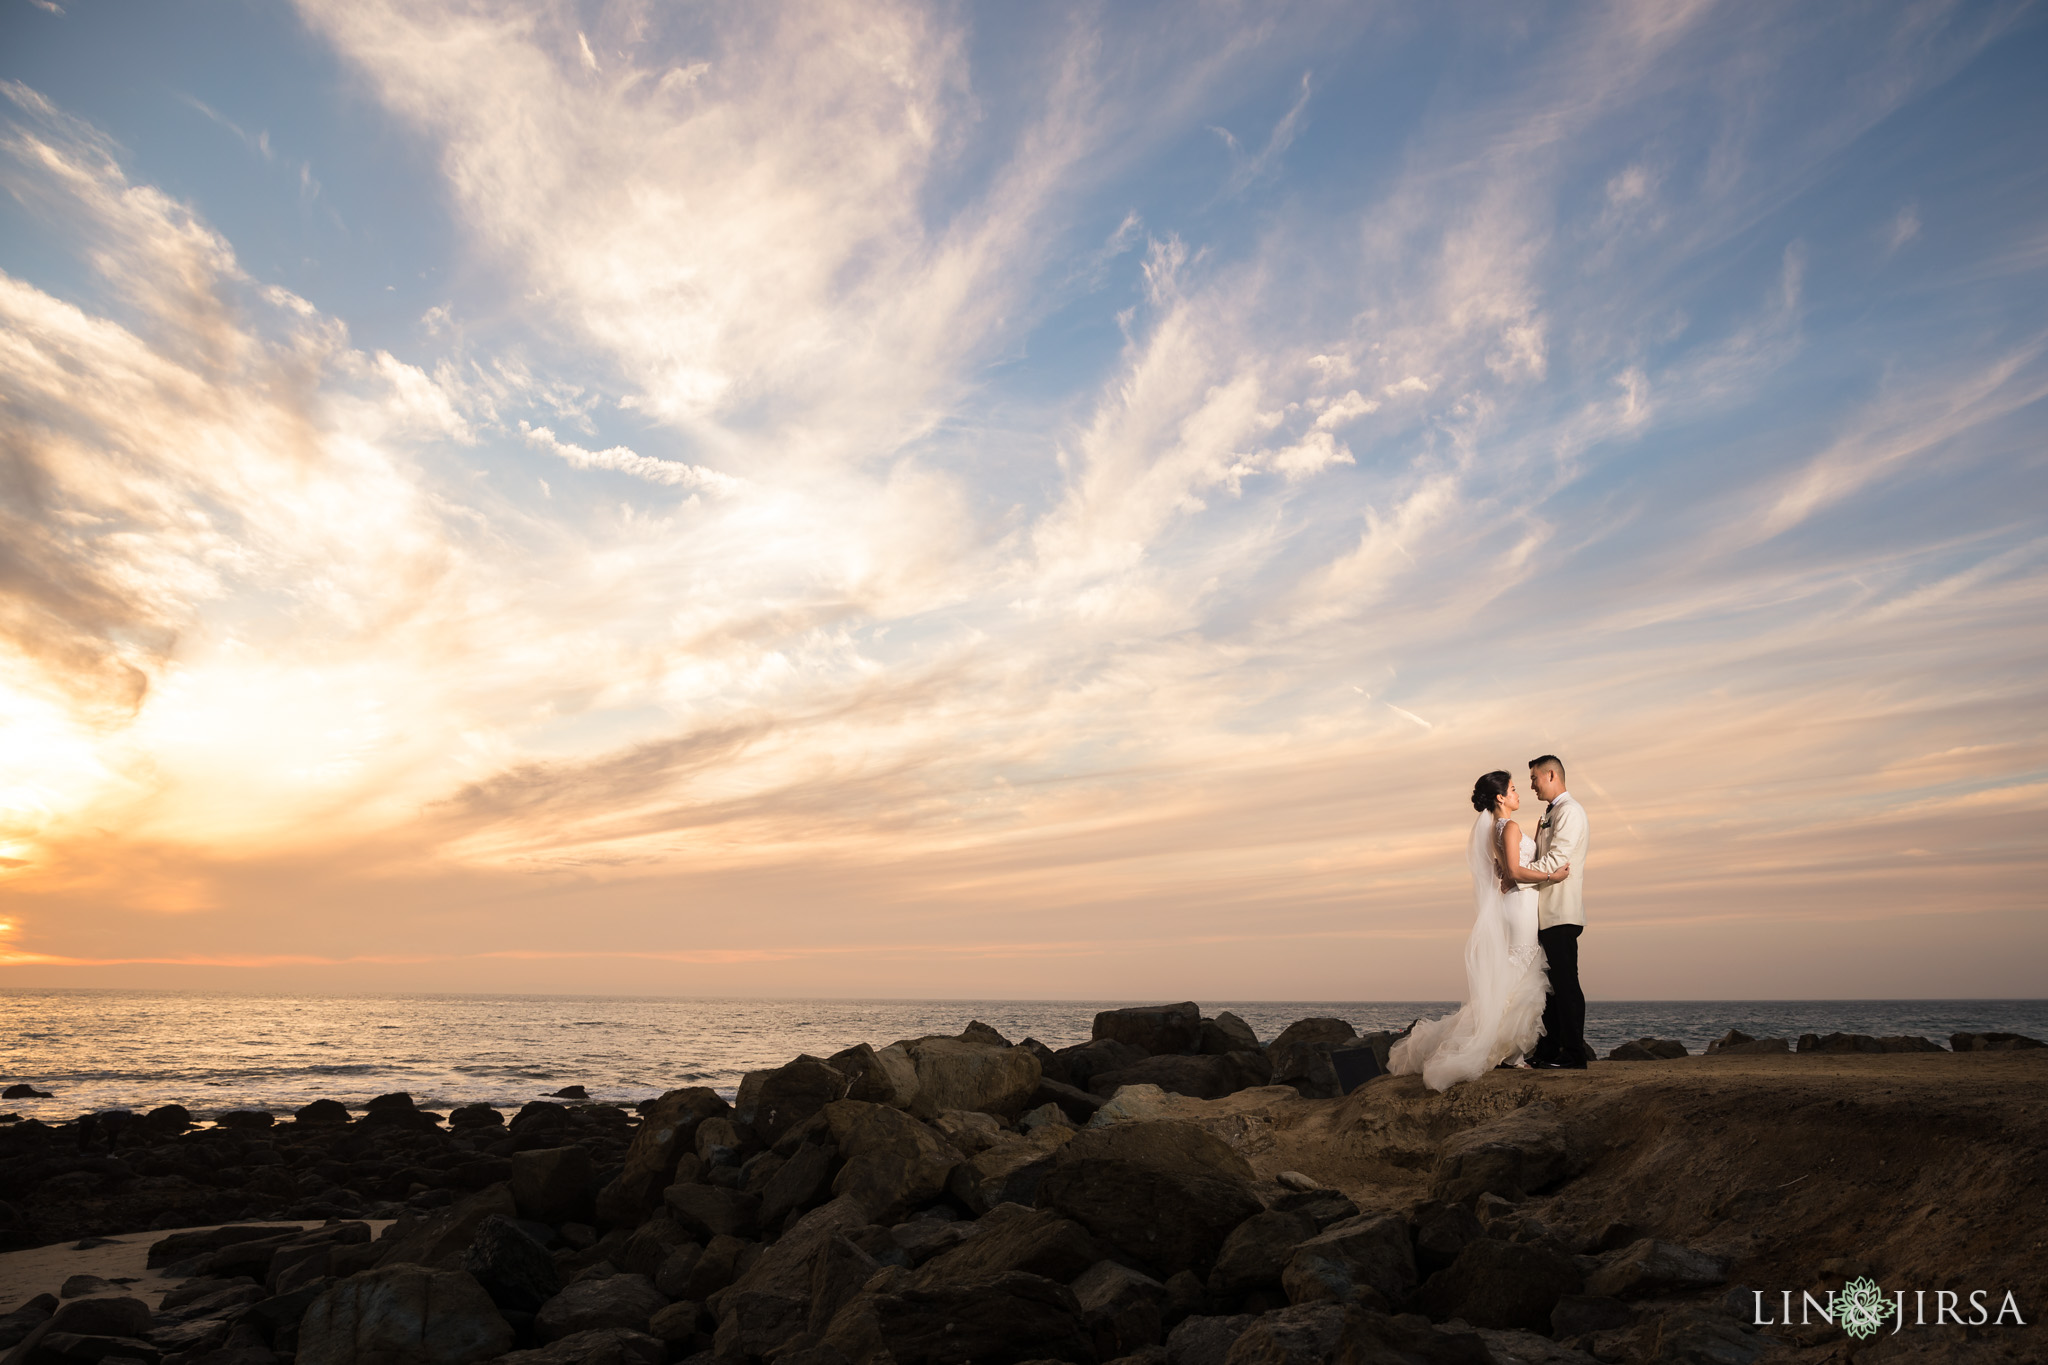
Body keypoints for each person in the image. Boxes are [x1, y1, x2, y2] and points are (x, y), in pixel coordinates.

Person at [1387, 770, 1568, 1090]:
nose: (1517, 794)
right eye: (1513, 789)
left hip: (1513, 904)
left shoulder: (1495, 829)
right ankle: (1508, 1053)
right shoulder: (1509, 826)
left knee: (1515, 973)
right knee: (1521, 973)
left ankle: (1508, 1050)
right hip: (1518, 905)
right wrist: (1552, 877)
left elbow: (1504, 867)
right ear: (1500, 797)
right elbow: (1512, 870)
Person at [1523, 755, 1590, 1068]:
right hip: (1545, 912)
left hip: (1561, 912)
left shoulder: (1570, 812)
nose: (1532, 785)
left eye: (1535, 778)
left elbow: (1557, 861)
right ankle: (1549, 1050)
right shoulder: (1550, 812)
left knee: (1565, 984)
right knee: (1549, 988)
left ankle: (1575, 1053)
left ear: (1551, 775)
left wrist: (1517, 875)